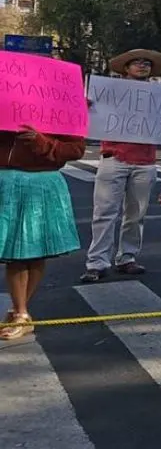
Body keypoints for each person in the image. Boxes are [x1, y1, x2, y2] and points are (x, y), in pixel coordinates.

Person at [81, 48, 161, 283]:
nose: (142, 66)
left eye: (146, 64)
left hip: (146, 162)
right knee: (104, 213)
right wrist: (87, 106)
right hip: (113, 158)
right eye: (137, 63)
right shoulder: (108, 93)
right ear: (126, 68)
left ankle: (127, 257)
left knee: (136, 214)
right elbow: (87, 118)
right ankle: (97, 262)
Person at [0, 124, 84, 340]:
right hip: (6, 182)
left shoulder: (60, 108)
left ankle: (20, 312)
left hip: (41, 183)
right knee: (15, 253)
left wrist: (41, 142)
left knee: (32, 251)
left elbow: (76, 149)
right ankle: (20, 311)